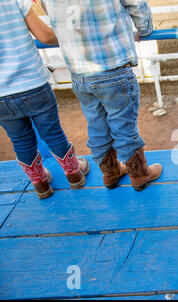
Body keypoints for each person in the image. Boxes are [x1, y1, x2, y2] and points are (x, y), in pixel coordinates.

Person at [41, 0, 162, 191]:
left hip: (80, 72)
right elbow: (137, 4)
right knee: (123, 125)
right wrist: (144, 30)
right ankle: (139, 174)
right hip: (113, 65)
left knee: (96, 124)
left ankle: (110, 173)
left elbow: (49, 8)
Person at [0, 0, 89, 199]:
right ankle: (74, 173)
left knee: (20, 141)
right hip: (32, 83)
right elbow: (45, 36)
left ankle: (40, 184)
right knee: (53, 133)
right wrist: (71, 32)